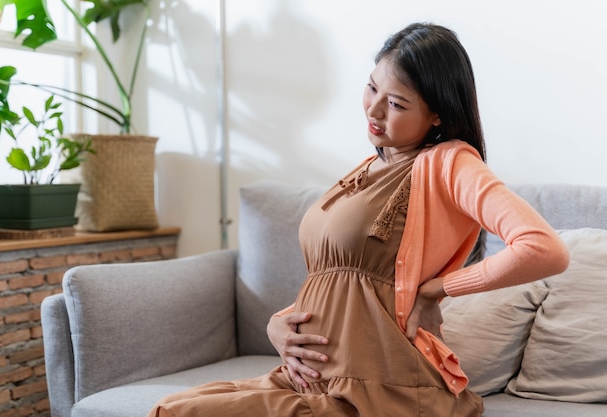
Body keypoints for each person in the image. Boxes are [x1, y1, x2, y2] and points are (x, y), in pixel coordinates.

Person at [147, 22, 569, 417]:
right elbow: (346, 283)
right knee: (171, 406)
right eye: (371, 88)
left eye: (397, 103)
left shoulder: (448, 163)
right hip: (310, 378)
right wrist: (280, 323)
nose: (375, 110)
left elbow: (543, 248)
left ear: (437, 115)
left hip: (374, 385)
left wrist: (435, 291)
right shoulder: (367, 168)